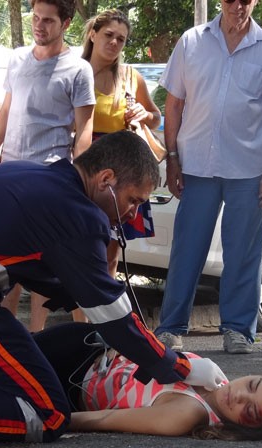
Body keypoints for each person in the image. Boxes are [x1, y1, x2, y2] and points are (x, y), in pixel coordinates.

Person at [0, 131, 227, 448]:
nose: (131, 215)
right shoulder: (80, 215)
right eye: (133, 200)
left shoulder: (31, 174)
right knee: (48, 413)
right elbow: (112, 318)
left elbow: (31, 258)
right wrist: (177, 366)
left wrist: (71, 289)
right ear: (106, 179)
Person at [154, 0, 262, 353]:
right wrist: (172, 159)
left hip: (248, 168)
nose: (238, 6)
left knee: (244, 253)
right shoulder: (192, 41)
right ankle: (171, 327)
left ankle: (237, 329)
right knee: (187, 249)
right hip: (196, 164)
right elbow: (173, 104)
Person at [0, 0, 95, 331]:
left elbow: (84, 128)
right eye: (36, 18)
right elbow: (6, 111)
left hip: (49, 177)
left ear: (66, 23)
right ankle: (5, 337)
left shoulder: (78, 69)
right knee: (5, 265)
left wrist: (80, 181)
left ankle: (60, 338)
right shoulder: (17, 59)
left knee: (48, 266)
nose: (39, 25)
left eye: (48, 20)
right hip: (8, 176)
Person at [33, 322, 262, 441]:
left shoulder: (189, 413)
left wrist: (49, 421)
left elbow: (105, 419)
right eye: (252, 385)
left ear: (249, 428)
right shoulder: (216, 379)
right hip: (89, 342)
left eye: (251, 411)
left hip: (64, 376)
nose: (240, 396)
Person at [81, 9, 162, 277]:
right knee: (81, 251)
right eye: (108, 35)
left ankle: (103, 318)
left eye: (121, 39)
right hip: (85, 163)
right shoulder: (76, 72)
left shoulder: (129, 75)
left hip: (121, 169)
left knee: (110, 257)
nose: (114, 42)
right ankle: (81, 317)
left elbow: (155, 117)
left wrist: (145, 113)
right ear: (93, 34)